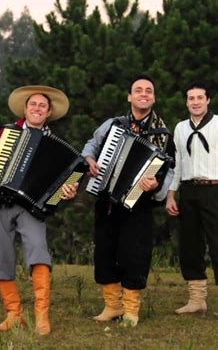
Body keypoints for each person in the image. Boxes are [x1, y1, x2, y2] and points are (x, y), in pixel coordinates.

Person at [0, 85, 78, 336]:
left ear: (48, 113)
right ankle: (14, 314)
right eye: (33, 104)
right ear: (25, 109)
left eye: (42, 106)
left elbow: (65, 185)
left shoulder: (56, 145)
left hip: (32, 207)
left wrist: (66, 192)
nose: (37, 108)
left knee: (38, 250)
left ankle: (41, 315)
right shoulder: (4, 132)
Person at [82, 75, 174, 327]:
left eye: (148, 91)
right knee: (104, 252)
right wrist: (89, 160)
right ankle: (112, 306)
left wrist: (157, 187)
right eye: (138, 90)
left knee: (134, 254)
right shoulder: (113, 124)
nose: (143, 94)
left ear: (153, 97)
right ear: (130, 96)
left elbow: (171, 169)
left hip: (139, 205)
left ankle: (131, 310)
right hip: (106, 200)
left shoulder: (163, 134)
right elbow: (92, 144)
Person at [166, 83, 217, 314]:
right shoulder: (180, 128)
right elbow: (177, 164)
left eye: (200, 97)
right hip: (188, 190)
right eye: (191, 98)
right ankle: (197, 299)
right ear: (186, 102)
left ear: (208, 100)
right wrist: (171, 194)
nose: (195, 102)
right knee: (190, 244)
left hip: (214, 189)